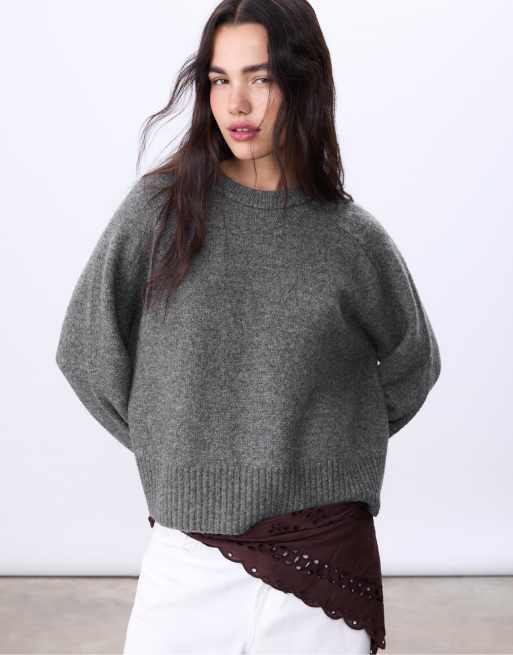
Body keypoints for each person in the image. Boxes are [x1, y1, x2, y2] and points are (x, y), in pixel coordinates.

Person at [55, 1, 442, 653]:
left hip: (321, 555)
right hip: (187, 557)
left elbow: (413, 364)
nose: (236, 103)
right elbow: (85, 350)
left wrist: (329, 443)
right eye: (219, 79)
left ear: (304, 82)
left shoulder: (351, 238)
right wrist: (172, 447)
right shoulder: (159, 211)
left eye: (260, 78)